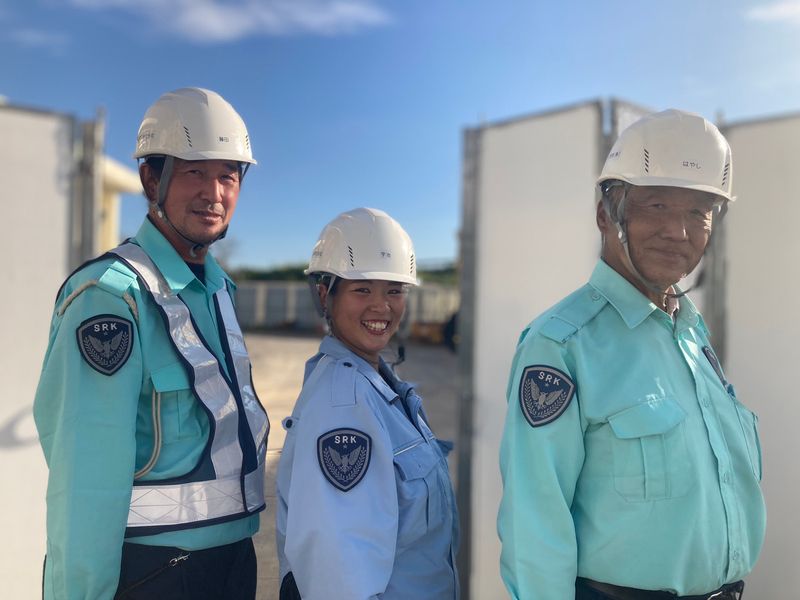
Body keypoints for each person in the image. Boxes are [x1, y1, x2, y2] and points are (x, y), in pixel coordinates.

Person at [497, 109, 766, 600]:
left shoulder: (692, 334)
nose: (678, 232)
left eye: (698, 212)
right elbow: (533, 525)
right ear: (606, 213)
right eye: (657, 205)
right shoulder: (561, 346)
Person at [33, 87, 269, 600]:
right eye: (194, 172)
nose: (214, 193)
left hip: (232, 563)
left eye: (228, 175)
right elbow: (85, 481)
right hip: (155, 573)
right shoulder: (112, 298)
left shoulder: (218, 289)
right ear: (150, 180)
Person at [276, 207, 459, 600]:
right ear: (325, 295)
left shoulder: (379, 386)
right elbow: (339, 577)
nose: (381, 307)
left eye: (394, 290)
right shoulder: (344, 407)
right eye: (362, 290)